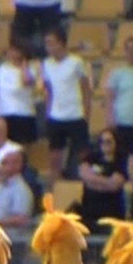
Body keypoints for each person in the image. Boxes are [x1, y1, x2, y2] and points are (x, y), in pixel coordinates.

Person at [40, 27, 92, 180]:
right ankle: (54, 193)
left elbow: (86, 90)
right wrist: (48, 113)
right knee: (54, 158)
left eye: (52, 43)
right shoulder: (46, 64)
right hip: (56, 116)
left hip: (76, 114)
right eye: (46, 44)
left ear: (61, 43)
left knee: (83, 156)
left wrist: (86, 114)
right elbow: (49, 91)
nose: (49, 47)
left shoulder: (76, 62)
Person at [0, 41, 39, 149]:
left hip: (23, 113)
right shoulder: (0, 69)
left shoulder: (31, 69)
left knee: (21, 147)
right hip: (4, 112)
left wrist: (23, 67)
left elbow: (27, 81)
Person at [78, 129, 127, 232]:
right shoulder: (91, 158)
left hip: (111, 213)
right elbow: (84, 174)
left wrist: (92, 182)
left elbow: (114, 185)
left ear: (116, 143)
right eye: (102, 141)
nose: (105, 144)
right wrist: (106, 181)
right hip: (88, 213)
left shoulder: (121, 161)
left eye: (108, 141)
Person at [0, 146, 35, 227]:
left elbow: (20, 220)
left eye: (4, 163)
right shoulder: (1, 186)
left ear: (18, 165)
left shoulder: (21, 190)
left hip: (13, 238)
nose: (0, 166)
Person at [108, 35, 133, 171]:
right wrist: (110, 119)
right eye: (129, 50)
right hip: (122, 123)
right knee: (122, 159)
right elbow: (110, 99)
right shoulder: (116, 74)